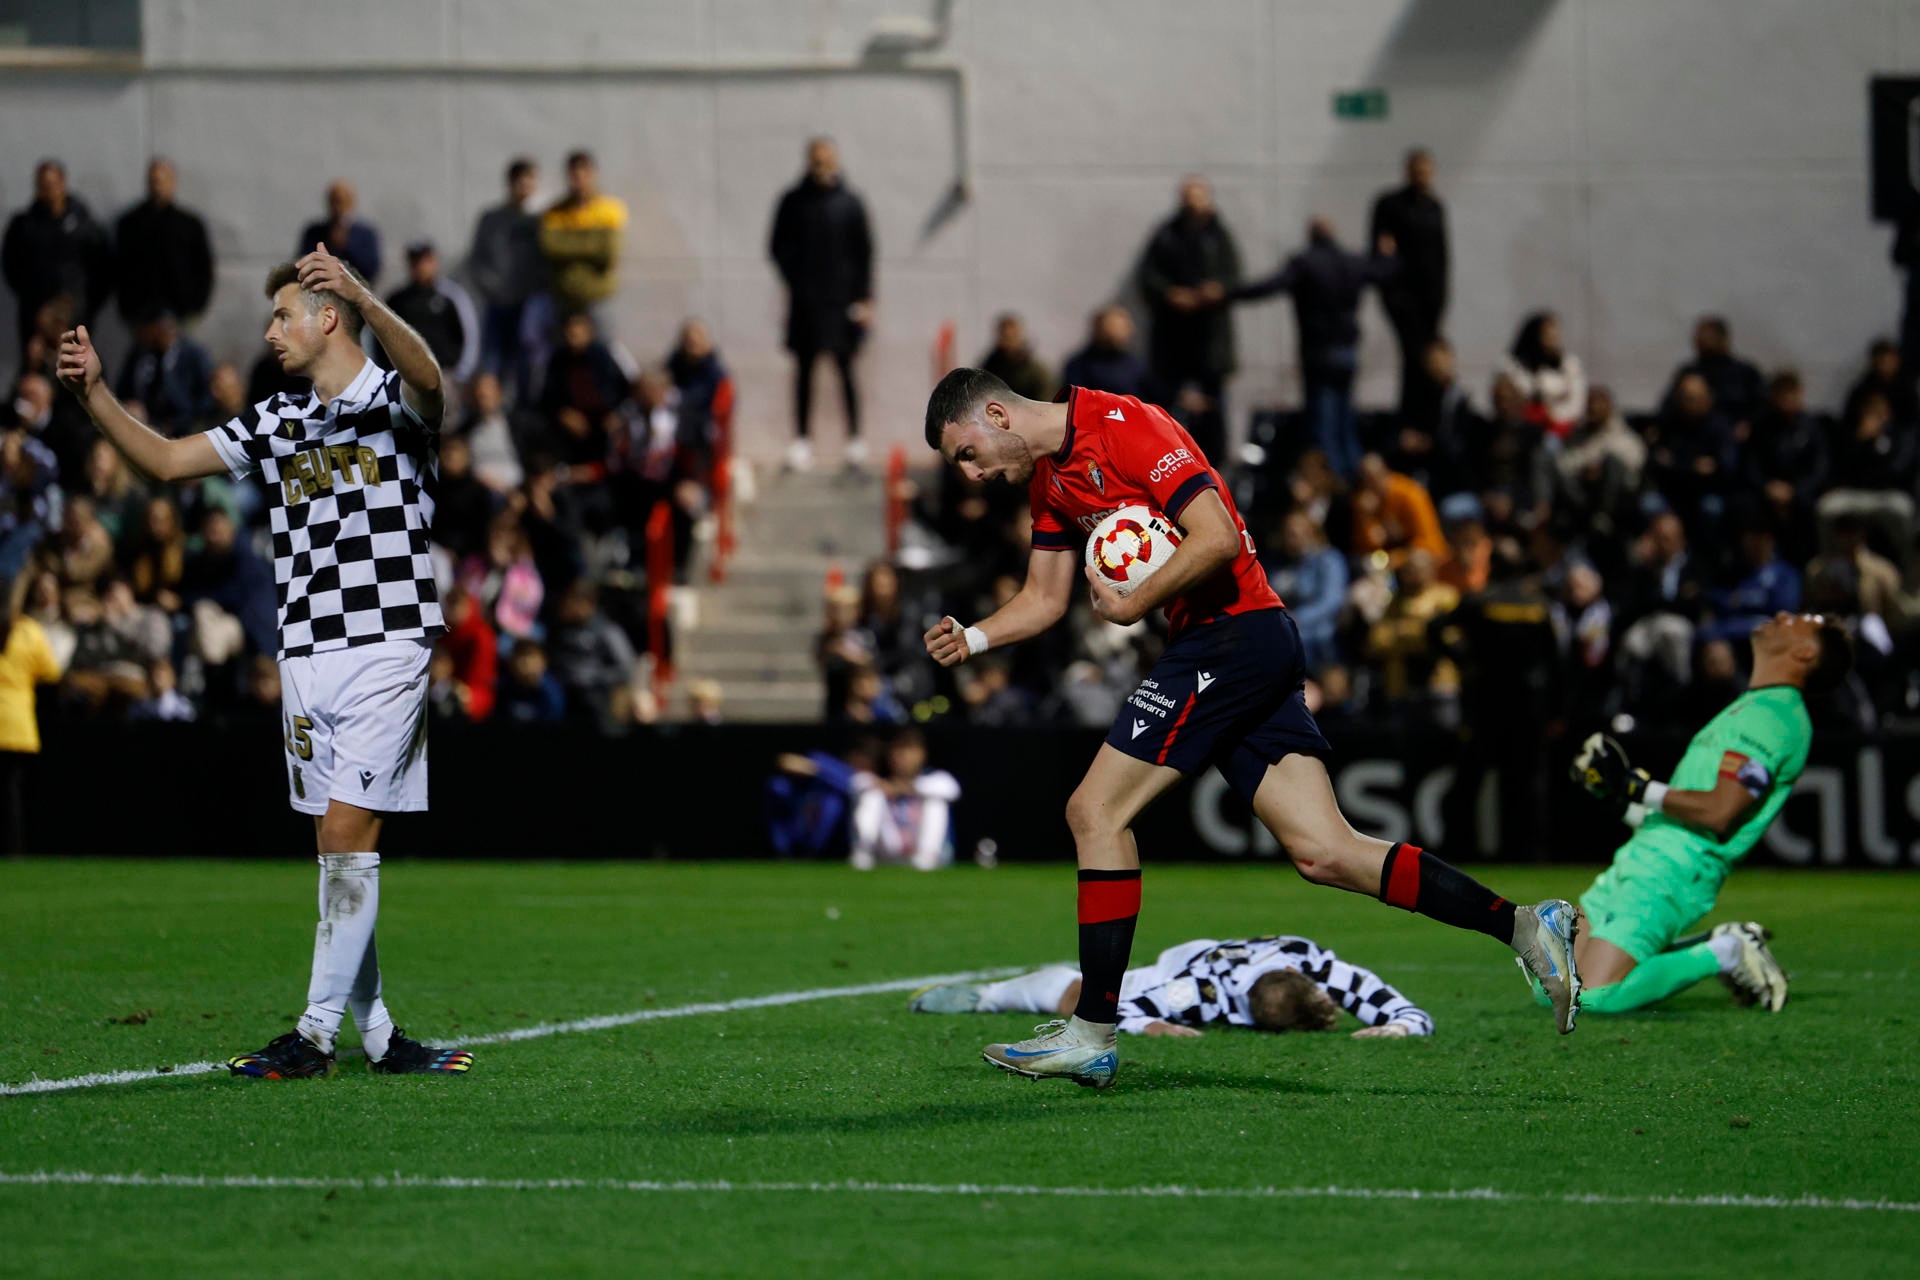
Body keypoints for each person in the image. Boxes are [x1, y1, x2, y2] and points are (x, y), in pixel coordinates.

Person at [920, 367, 1579, 1088]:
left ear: (996, 414)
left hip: (1232, 636)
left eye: (967, 453)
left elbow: (1220, 536)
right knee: (1326, 851)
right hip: (1233, 643)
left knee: (1095, 810)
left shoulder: (1127, 425)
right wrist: (975, 637)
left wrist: (1136, 599)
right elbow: (1044, 600)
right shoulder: (1052, 482)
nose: (973, 474)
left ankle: (1092, 1032)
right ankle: (1522, 925)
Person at [55, 242, 470, 1078]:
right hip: (306, 651)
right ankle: (382, 1036)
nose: (271, 330)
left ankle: (314, 1037)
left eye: (284, 315)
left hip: (388, 641)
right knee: (334, 848)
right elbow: (169, 462)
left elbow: (433, 379)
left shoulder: (393, 400)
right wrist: (95, 393)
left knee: (350, 831)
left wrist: (362, 289)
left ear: (328, 320)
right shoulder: (279, 419)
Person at [1559, 612, 1852, 1014]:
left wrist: (1638, 787)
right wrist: (1617, 798)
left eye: (1798, 621)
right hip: (1647, 853)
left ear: (1804, 652)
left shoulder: (1775, 717)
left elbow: (1718, 812)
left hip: (1675, 870)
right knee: (1556, 987)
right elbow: (1679, 815)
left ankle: (1727, 951)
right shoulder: (1752, 706)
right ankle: (1718, 943)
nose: (1782, 616)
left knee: (1588, 999)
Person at [911, 932, 1432, 1039]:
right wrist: (1155, 1026)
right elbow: (1124, 1011)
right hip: (1175, 969)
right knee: (1083, 995)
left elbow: (1404, 1011)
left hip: (1204, 958)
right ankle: (988, 997)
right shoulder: (1201, 994)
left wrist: (1401, 1027)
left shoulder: (1308, 962)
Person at [1233, 216, 1398, 480]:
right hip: (1348, 351)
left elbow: (1269, 286)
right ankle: (1356, 480)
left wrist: (1228, 293)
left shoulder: (1305, 262)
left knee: (1323, 424)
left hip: (1319, 354)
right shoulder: (1351, 262)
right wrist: (1387, 255)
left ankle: (1332, 484)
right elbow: (1383, 272)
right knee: (1345, 421)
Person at [769, 138, 873, 472]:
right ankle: (802, 440)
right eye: (816, 160)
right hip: (805, 304)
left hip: (842, 303)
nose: (821, 166)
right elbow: (777, 246)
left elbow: (865, 254)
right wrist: (797, 280)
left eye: (826, 160)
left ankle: (855, 440)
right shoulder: (793, 201)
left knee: (846, 370)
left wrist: (864, 298)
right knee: (804, 372)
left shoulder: (851, 203)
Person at [1137, 176, 1241, 462]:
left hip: (1211, 340)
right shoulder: (1167, 234)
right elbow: (1148, 276)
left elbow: (1233, 277)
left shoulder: (1219, 236)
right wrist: (1170, 293)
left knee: (1214, 409)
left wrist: (1216, 290)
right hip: (1174, 341)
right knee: (1170, 408)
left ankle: (1217, 466)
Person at [3, 159, 114, 351]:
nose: (47, 191)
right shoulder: (24, 226)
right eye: (42, 186)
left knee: (75, 368)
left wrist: (84, 305)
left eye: (51, 185)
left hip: (76, 315)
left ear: (62, 184)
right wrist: (34, 299)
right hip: (36, 318)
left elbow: (103, 270)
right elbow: (12, 267)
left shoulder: (84, 226)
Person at [1370, 149, 1449, 417]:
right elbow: (1380, 252)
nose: (1423, 177)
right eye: (1418, 171)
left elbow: (1441, 256)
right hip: (1403, 298)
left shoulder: (1434, 208)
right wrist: (1391, 295)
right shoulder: (1391, 205)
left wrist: (1441, 297)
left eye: (1427, 171)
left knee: (1429, 361)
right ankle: (1411, 420)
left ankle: (1428, 419)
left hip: (1430, 300)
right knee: (1413, 360)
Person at [467, 157, 545, 395]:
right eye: (520, 181)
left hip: (528, 305)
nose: (525, 187)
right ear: (510, 183)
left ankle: (520, 417)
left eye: (529, 181)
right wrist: (493, 289)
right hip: (497, 305)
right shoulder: (491, 220)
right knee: (492, 363)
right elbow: (477, 259)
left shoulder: (540, 221)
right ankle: (491, 414)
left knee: (526, 364)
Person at [0, 576, 63, 854]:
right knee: (12, 794)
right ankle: (14, 848)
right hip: (16, 723)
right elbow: (51, 672)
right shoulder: (28, 631)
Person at [114, 157, 215, 328]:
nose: (158, 186)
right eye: (154, 181)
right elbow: (120, 268)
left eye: (163, 180)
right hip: (141, 315)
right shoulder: (130, 225)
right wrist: (128, 310)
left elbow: (203, 267)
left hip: (181, 313)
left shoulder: (190, 225)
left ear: (173, 182)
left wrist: (195, 307)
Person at [540, 150, 628, 335]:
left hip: (598, 297)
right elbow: (550, 248)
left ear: (593, 174)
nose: (579, 181)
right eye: (574, 175)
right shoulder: (555, 211)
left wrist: (568, 244)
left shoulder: (609, 209)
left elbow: (609, 251)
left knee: (603, 349)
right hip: (565, 297)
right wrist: (592, 244)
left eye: (584, 174)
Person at [848, 727, 961, 871]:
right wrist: (885, 787)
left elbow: (951, 788)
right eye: (898, 751)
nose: (903, 757)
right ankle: (863, 854)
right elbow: (856, 783)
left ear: (922, 754)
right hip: (888, 851)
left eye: (909, 751)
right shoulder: (878, 781)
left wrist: (903, 788)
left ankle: (926, 857)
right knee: (872, 796)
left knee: (935, 802)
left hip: (922, 852)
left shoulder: (934, 779)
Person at [377, 241, 479, 384]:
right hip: (404, 379)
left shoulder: (450, 296)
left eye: (424, 261)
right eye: (415, 262)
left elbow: (470, 335)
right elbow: (380, 337)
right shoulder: (397, 300)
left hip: (444, 376)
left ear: (434, 262)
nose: (420, 267)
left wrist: (460, 373)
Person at [115, 310, 214, 437]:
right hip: (145, 425)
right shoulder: (140, 354)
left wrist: (178, 423)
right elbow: (123, 390)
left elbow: (205, 402)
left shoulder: (193, 355)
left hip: (183, 430)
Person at [1661, 316, 1763, 431]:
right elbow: (1667, 409)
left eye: (1708, 337)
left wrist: (1748, 425)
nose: (1700, 341)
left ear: (1723, 338)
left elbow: (1762, 408)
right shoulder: (1689, 372)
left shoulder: (1745, 373)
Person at [1500, 312, 1585, 438]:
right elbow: (1512, 396)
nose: (1551, 339)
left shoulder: (1569, 365)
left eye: (1554, 335)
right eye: (1546, 334)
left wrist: (1551, 413)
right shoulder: (1513, 364)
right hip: (1522, 430)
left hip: (1561, 431)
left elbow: (1576, 403)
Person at [1059, 304, 1154, 402]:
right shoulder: (1079, 365)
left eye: (1124, 328)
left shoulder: (1135, 365)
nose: (1121, 334)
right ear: (1099, 329)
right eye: (1115, 327)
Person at [298, 179, 382, 285]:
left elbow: (371, 269)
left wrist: (347, 246)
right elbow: (303, 264)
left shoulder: (366, 234)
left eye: (343, 201)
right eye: (335, 201)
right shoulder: (314, 233)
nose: (338, 207)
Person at [978, 313, 1055, 403]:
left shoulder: (1037, 373)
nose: (1008, 342)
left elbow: (1046, 404)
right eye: (1005, 336)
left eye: (1012, 336)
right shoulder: (989, 368)